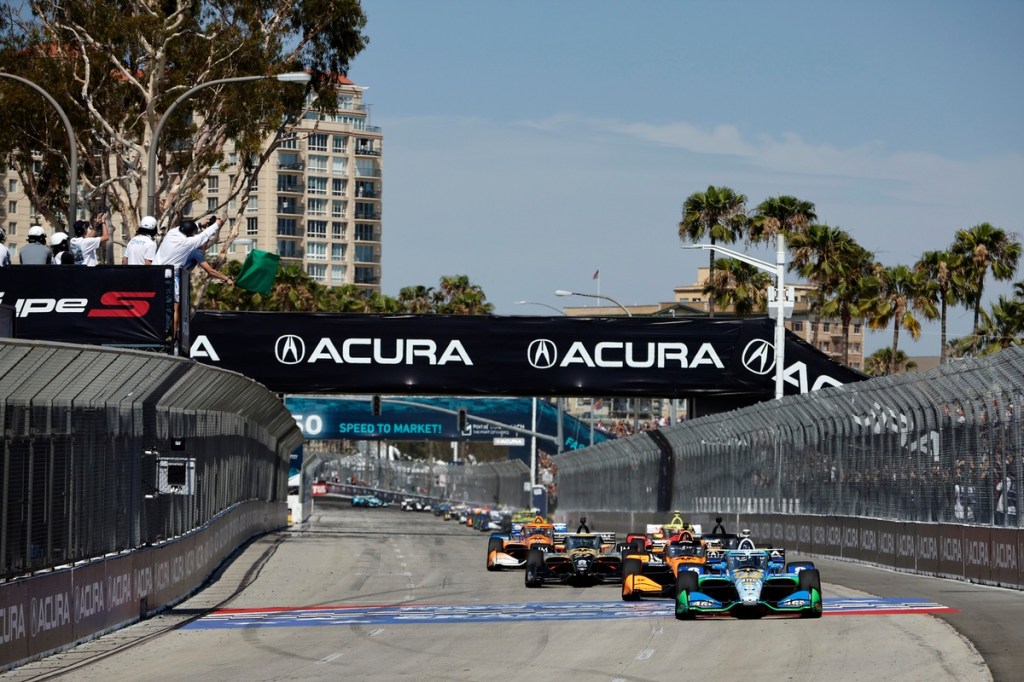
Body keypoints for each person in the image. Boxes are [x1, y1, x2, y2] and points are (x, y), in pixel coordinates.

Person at [154, 216, 223, 337]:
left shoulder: (172, 233)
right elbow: (204, 235)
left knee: (155, 304)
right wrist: (217, 223)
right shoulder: (187, 243)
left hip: (154, 273)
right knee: (171, 307)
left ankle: (156, 332)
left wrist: (199, 224)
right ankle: (166, 335)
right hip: (168, 278)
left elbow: (185, 227)